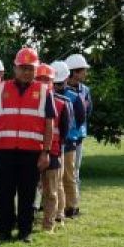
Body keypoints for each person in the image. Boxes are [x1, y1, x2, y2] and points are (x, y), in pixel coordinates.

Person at [0, 47, 56, 243]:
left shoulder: (43, 91)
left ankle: (25, 232)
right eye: (22, 68)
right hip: (4, 151)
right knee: (4, 194)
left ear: (35, 69)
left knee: (27, 194)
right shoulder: (0, 89)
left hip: (31, 152)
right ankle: (3, 231)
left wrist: (46, 152)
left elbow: (49, 124)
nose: (26, 72)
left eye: (30, 68)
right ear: (14, 68)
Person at [36, 63, 71, 233]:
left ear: (52, 81)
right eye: (39, 79)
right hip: (31, 153)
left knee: (51, 190)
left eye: (46, 80)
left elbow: (64, 131)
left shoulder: (63, 103)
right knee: (29, 190)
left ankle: (49, 224)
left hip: (53, 152)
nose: (43, 83)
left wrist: (53, 149)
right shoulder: (28, 101)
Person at [53, 61, 86, 227]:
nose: (57, 86)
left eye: (59, 82)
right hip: (54, 142)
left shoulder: (74, 96)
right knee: (55, 177)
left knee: (68, 174)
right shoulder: (48, 94)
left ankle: (71, 206)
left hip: (69, 141)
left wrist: (71, 134)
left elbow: (80, 118)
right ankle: (56, 207)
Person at [64, 53, 92, 217]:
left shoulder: (85, 90)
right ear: (75, 72)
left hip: (78, 136)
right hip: (64, 137)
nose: (86, 74)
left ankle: (74, 204)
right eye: (83, 71)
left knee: (75, 171)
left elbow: (87, 111)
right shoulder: (61, 88)